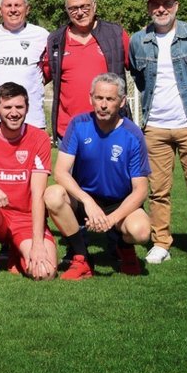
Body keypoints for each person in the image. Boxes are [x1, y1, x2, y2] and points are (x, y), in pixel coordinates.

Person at [129, 0, 187, 266]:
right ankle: (160, 242)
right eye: (155, 4)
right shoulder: (137, 41)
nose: (161, 9)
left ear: (175, 5)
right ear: (148, 8)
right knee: (158, 190)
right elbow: (141, 81)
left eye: (166, 3)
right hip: (155, 127)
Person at [43, 73, 151, 280]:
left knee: (141, 231)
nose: (103, 104)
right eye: (99, 98)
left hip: (119, 202)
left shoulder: (133, 134)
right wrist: (88, 201)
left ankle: (123, 248)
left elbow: (141, 190)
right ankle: (82, 257)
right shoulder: (78, 124)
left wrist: (111, 219)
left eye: (110, 99)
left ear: (121, 102)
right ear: (90, 98)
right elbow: (60, 172)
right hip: (84, 199)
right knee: (53, 195)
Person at [0, 83, 57, 282]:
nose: (14, 113)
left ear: (27, 108)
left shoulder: (39, 138)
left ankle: (17, 253)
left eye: (19, 107)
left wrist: (37, 243)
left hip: (26, 219)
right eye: (7, 107)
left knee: (45, 273)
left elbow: (38, 195)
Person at [43, 0, 129, 140]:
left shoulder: (116, 34)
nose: (80, 13)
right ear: (67, 11)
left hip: (110, 129)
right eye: (73, 9)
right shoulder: (55, 40)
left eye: (85, 6)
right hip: (70, 132)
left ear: (94, 6)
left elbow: (140, 69)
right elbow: (39, 77)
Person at [0, 0, 49, 129]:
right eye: (8, 5)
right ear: (0, 10)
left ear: (27, 9)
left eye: (18, 5)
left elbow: (51, 71)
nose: (13, 10)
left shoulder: (42, 36)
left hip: (32, 122)